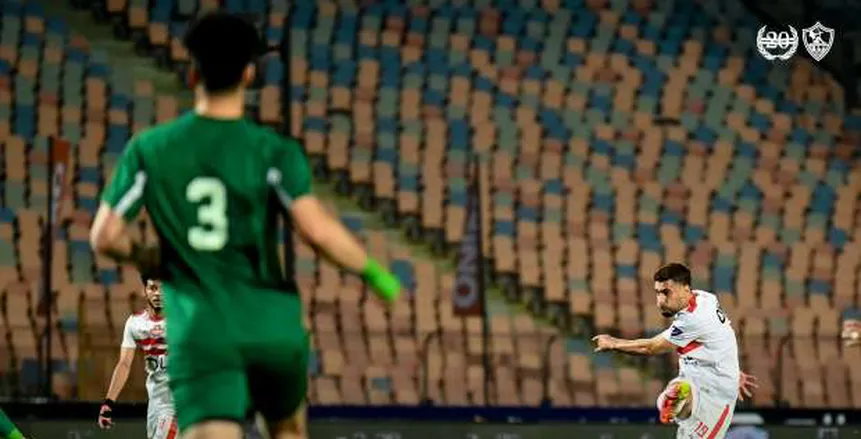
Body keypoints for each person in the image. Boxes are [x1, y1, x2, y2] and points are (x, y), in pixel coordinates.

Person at [89, 11, 401, 439]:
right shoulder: (273, 150)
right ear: (249, 74)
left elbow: (104, 236)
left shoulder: (150, 149)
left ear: (193, 73)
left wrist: (150, 257)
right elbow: (318, 231)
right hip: (269, 323)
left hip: (203, 331)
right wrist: (378, 276)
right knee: (288, 430)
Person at [593, 263, 758, 439]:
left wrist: (614, 343)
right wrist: (732, 370)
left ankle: (681, 399)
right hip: (696, 378)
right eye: (658, 293)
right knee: (666, 403)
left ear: (686, 288)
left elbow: (651, 347)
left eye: (666, 292)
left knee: (667, 402)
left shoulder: (693, 319)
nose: (660, 301)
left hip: (715, 393)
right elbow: (723, 334)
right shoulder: (705, 298)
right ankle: (681, 399)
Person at [98, 274, 176, 439]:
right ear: (145, 291)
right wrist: (108, 402)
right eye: (153, 288)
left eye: (163, 288)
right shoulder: (135, 323)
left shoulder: (182, 320)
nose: (158, 293)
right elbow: (124, 364)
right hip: (155, 404)